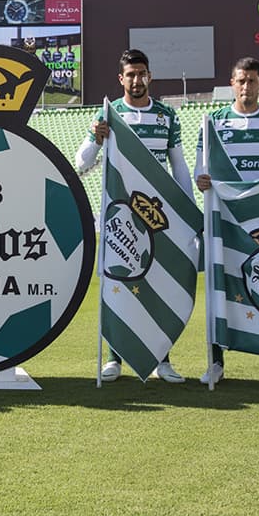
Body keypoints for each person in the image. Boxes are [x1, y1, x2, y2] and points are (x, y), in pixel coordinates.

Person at [76, 49, 191, 384]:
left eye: (142, 73)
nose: (137, 80)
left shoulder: (167, 116)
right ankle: (115, 359)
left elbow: (179, 167)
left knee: (158, 287)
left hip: (158, 217)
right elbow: (81, 162)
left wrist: (185, 211)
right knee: (119, 284)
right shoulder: (109, 113)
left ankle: (162, 360)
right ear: (121, 79)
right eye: (131, 74)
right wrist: (96, 139)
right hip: (120, 217)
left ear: (149, 76)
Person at [194, 57, 259, 387]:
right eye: (240, 81)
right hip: (226, 220)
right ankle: (216, 361)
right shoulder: (214, 122)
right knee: (218, 288)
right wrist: (202, 180)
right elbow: (201, 169)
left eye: (252, 81)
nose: (246, 86)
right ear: (232, 83)